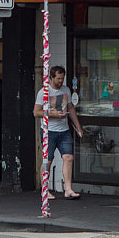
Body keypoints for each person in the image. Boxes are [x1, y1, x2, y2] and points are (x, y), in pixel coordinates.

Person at [34, 65, 84, 199]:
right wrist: (53, 114)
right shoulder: (44, 92)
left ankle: (68, 189)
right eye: (58, 79)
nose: (61, 81)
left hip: (64, 129)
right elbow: (36, 112)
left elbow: (70, 108)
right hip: (48, 130)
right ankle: (45, 189)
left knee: (68, 157)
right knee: (48, 160)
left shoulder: (66, 90)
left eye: (62, 78)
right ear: (51, 77)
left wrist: (77, 126)